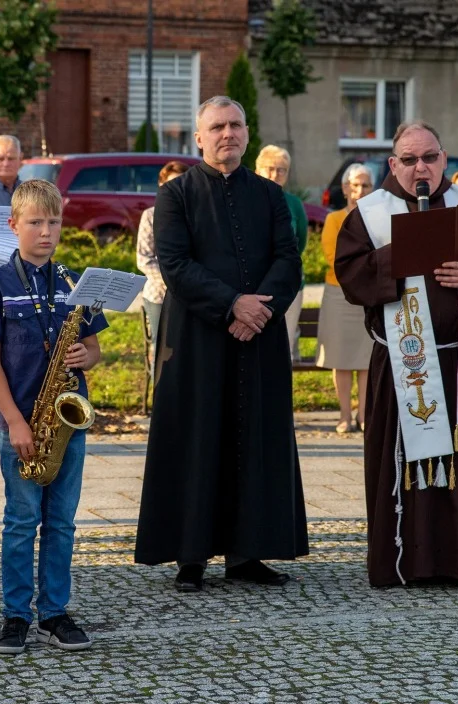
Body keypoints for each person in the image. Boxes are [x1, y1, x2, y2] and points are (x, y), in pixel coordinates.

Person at [134, 96, 308, 592]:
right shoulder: (176, 195)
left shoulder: (271, 195)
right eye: (217, 127)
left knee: (254, 438)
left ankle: (247, 554)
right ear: (200, 137)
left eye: (235, 125)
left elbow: (288, 261)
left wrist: (260, 311)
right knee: (198, 437)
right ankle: (191, 556)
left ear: (247, 133)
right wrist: (234, 304)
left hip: (258, 337)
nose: (227, 134)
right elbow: (175, 263)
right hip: (198, 338)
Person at [334, 120, 458, 592]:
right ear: (393, 164)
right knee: (402, 462)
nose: (421, 168)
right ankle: (406, 564)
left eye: (430, 158)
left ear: (444, 160)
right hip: (401, 361)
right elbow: (349, 272)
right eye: (410, 159)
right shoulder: (370, 213)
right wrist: (397, 259)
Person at [0, 179, 107, 654]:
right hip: (19, 422)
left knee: (62, 522)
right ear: (13, 225)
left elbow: (94, 346)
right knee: (21, 520)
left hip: (67, 423)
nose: (46, 232)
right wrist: (16, 420)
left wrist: (89, 357)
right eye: (35, 223)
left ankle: (55, 612)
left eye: (54, 222)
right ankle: (15, 615)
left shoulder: (74, 282)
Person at [317, 164, 374, 434]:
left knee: (365, 359)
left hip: (369, 296)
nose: (359, 191)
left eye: (365, 185)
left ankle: (363, 415)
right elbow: (333, 257)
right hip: (339, 294)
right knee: (341, 358)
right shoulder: (334, 219)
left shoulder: (379, 218)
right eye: (355, 185)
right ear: (345, 189)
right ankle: (344, 416)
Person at [256, 145, 308, 362]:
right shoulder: (248, 199)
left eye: (281, 170)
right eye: (269, 168)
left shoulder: (294, 204)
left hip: (288, 286)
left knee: (282, 347)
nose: (275, 174)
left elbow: (301, 241)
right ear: (258, 170)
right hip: (255, 284)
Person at [135, 160, 190, 364]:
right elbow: (144, 259)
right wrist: (173, 282)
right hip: (160, 295)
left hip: (192, 296)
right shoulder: (150, 216)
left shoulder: (195, 216)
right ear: (161, 186)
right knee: (164, 350)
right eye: (171, 184)